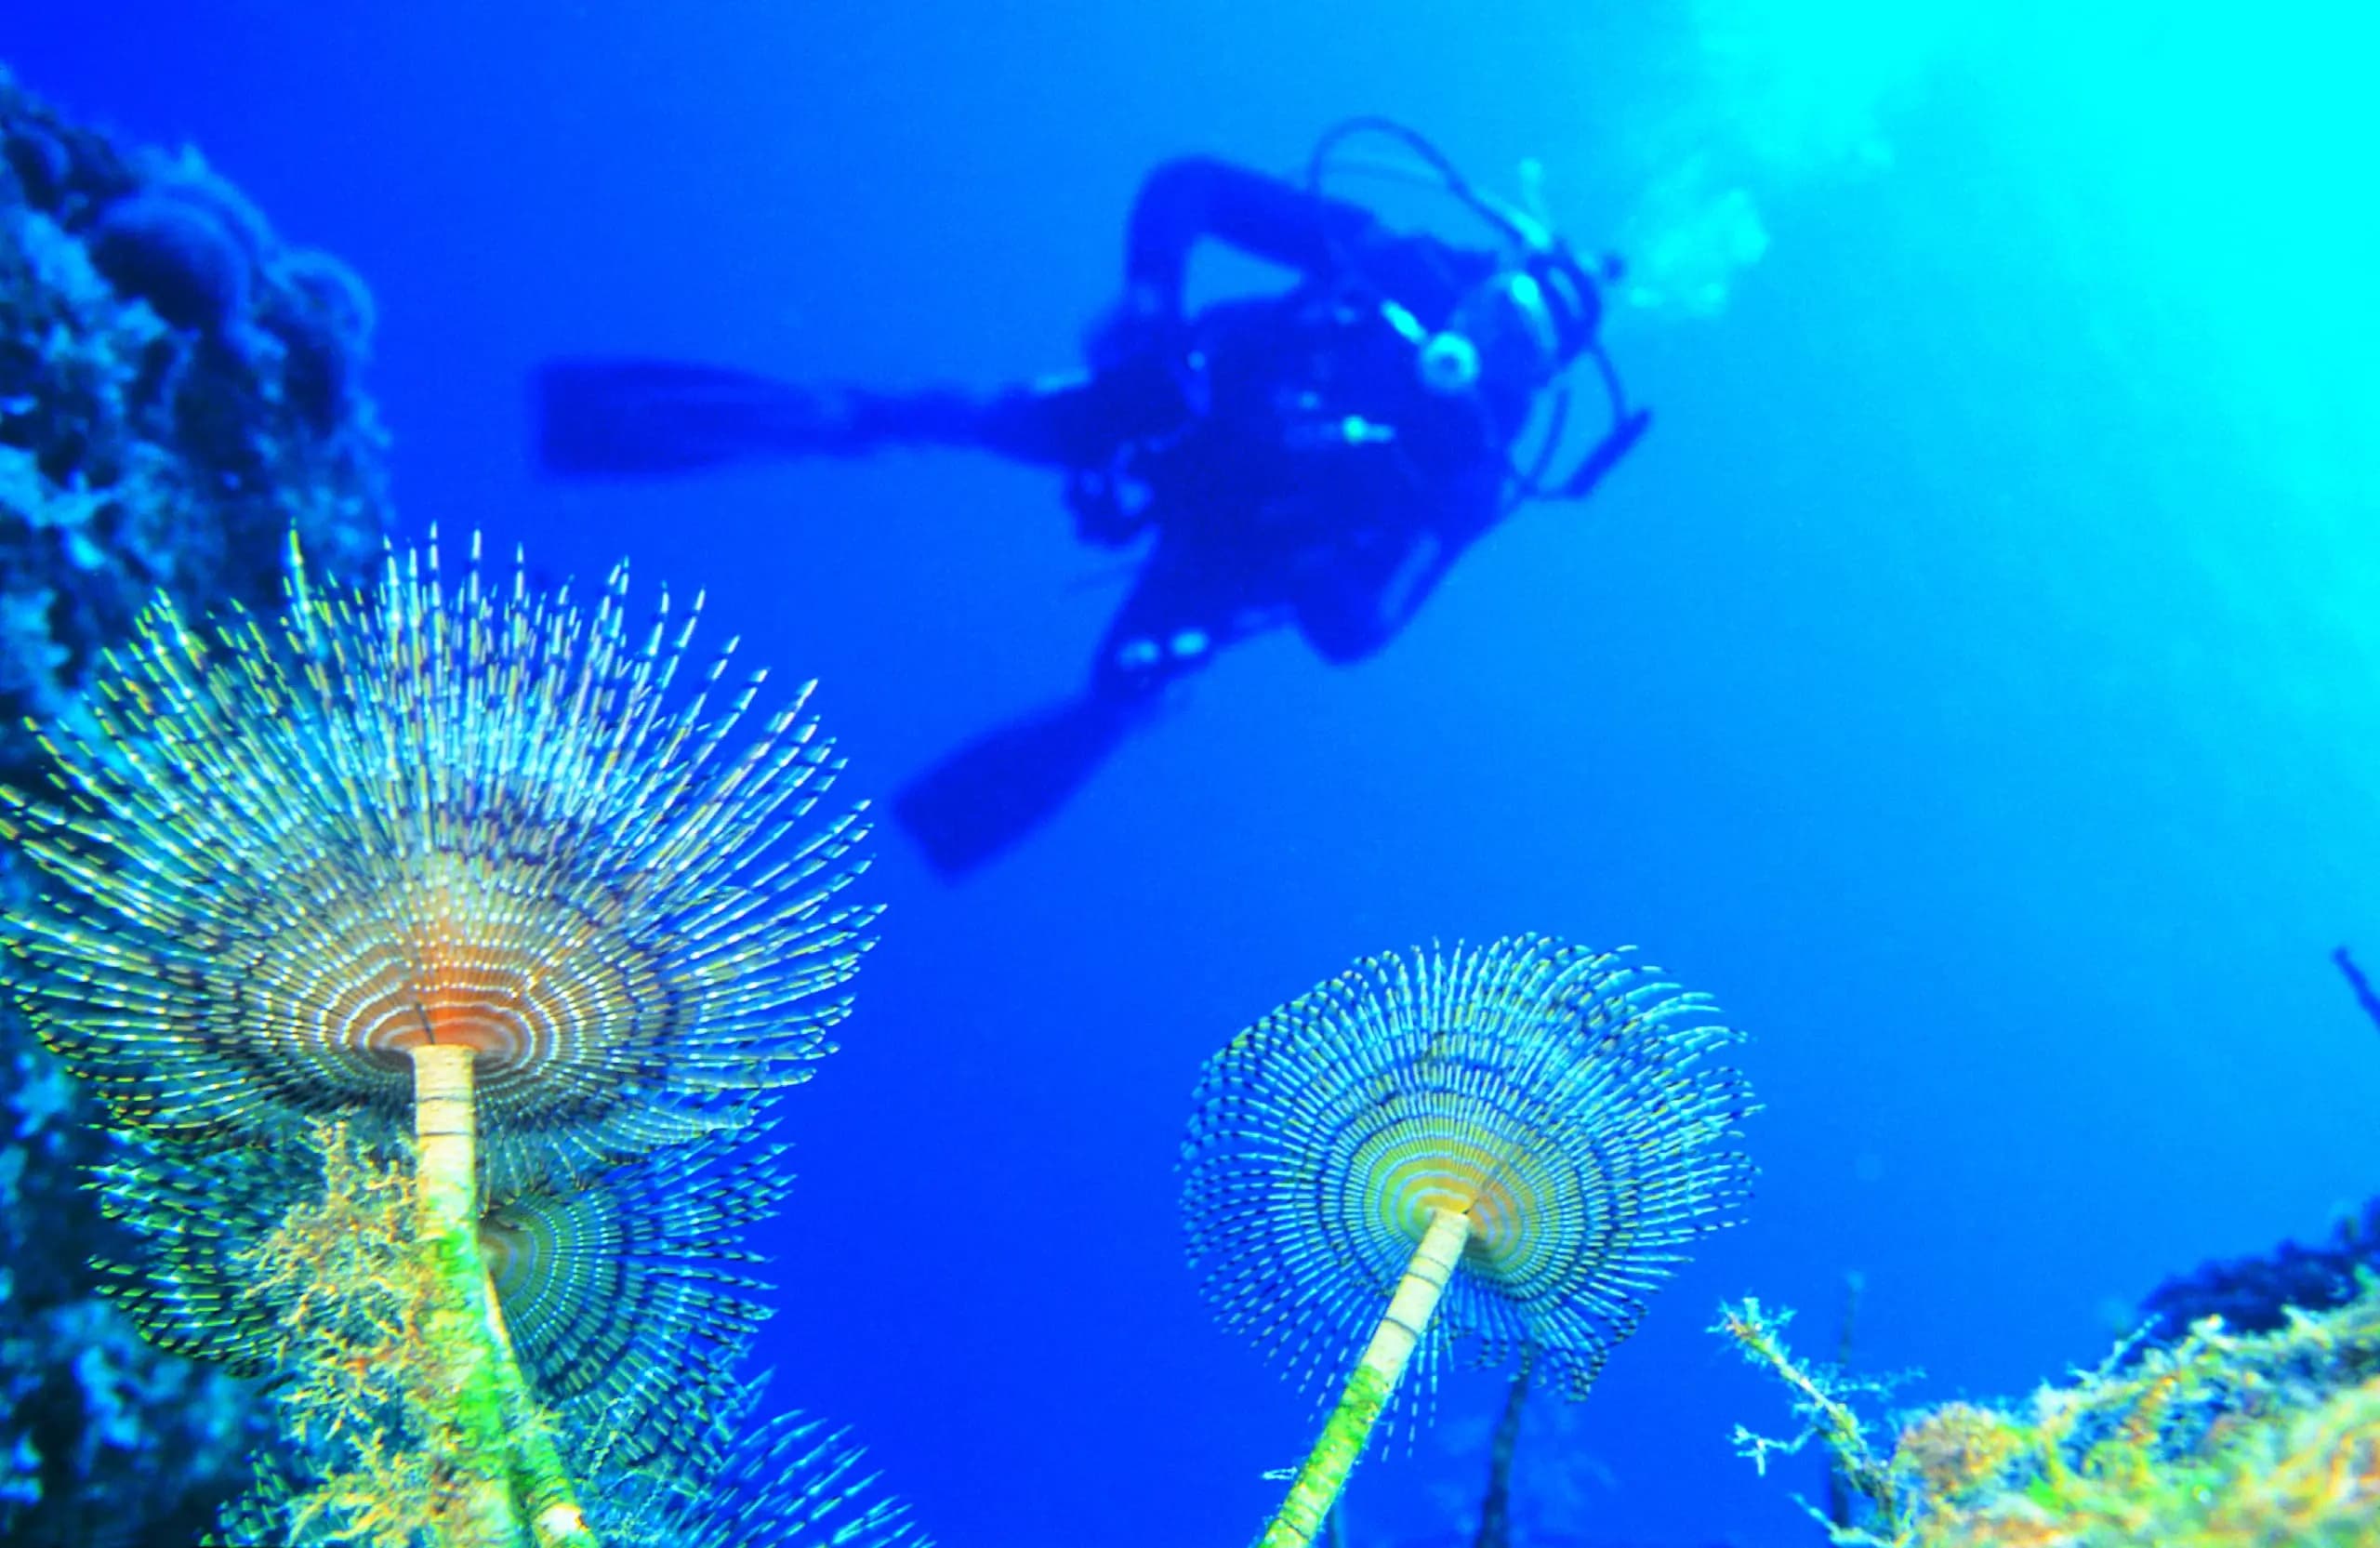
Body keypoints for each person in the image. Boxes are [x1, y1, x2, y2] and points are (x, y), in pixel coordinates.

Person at [534, 119, 1650, 875]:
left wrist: (1316, 539)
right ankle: (629, 421)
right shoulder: (1389, 261)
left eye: (1522, 351)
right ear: (1487, 272)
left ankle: (1015, 782)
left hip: (1232, 554)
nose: (1489, 342)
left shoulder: (1465, 476)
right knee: (921, 414)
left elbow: (1360, 633)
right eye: (1503, 307)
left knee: (1121, 688)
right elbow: (1194, 186)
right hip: (1172, 408)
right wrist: (1151, 303)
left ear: (1535, 383)